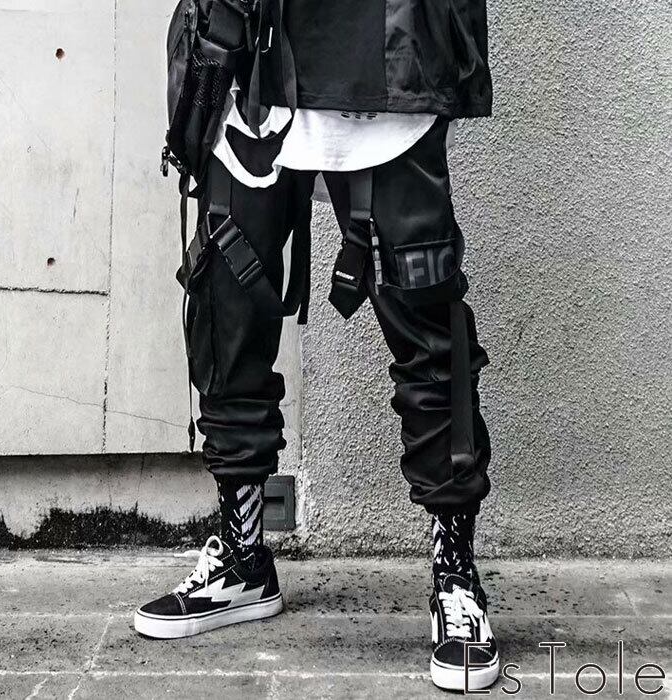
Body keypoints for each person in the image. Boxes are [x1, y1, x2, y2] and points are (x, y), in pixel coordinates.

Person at [136, 0, 499, 691]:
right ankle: (243, 555)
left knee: (427, 319)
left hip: (386, 61)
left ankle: (455, 574)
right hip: (250, 55)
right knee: (225, 304)